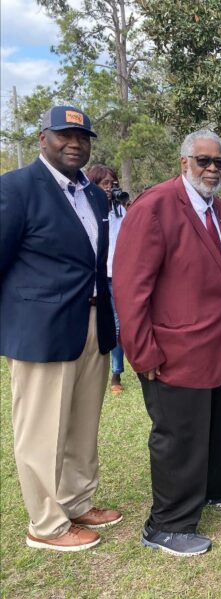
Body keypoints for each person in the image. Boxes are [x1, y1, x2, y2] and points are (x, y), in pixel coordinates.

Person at [114, 129, 221, 557]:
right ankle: (166, 526)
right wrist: (141, 351)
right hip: (173, 350)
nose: (212, 169)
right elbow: (131, 288)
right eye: (203, 160)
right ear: (183, 163)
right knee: (179, 435)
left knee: (217, 425)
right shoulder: (154, 207)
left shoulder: (217, 208)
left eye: (219, 163)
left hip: (219, 342)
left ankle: (209, 490)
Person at [0, 106, 122, 551]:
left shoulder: (92, 194)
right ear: (42, 138)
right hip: (41, 329)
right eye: (64, 134)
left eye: (83, 136)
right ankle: (46, 525)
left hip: (92, 320)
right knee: (41, 430)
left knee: (81, 422)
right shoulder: (15, 188)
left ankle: (77, 500)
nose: (75, 143)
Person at [87, 164, 127, 393]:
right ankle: (104, 371)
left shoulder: (120, 210)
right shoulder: (89, 209)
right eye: (105, 184)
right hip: (97, 276)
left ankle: (116, 373)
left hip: (118, 275)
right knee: (103, 323)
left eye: (112, 184)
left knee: (119, 325)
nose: (109, 188)